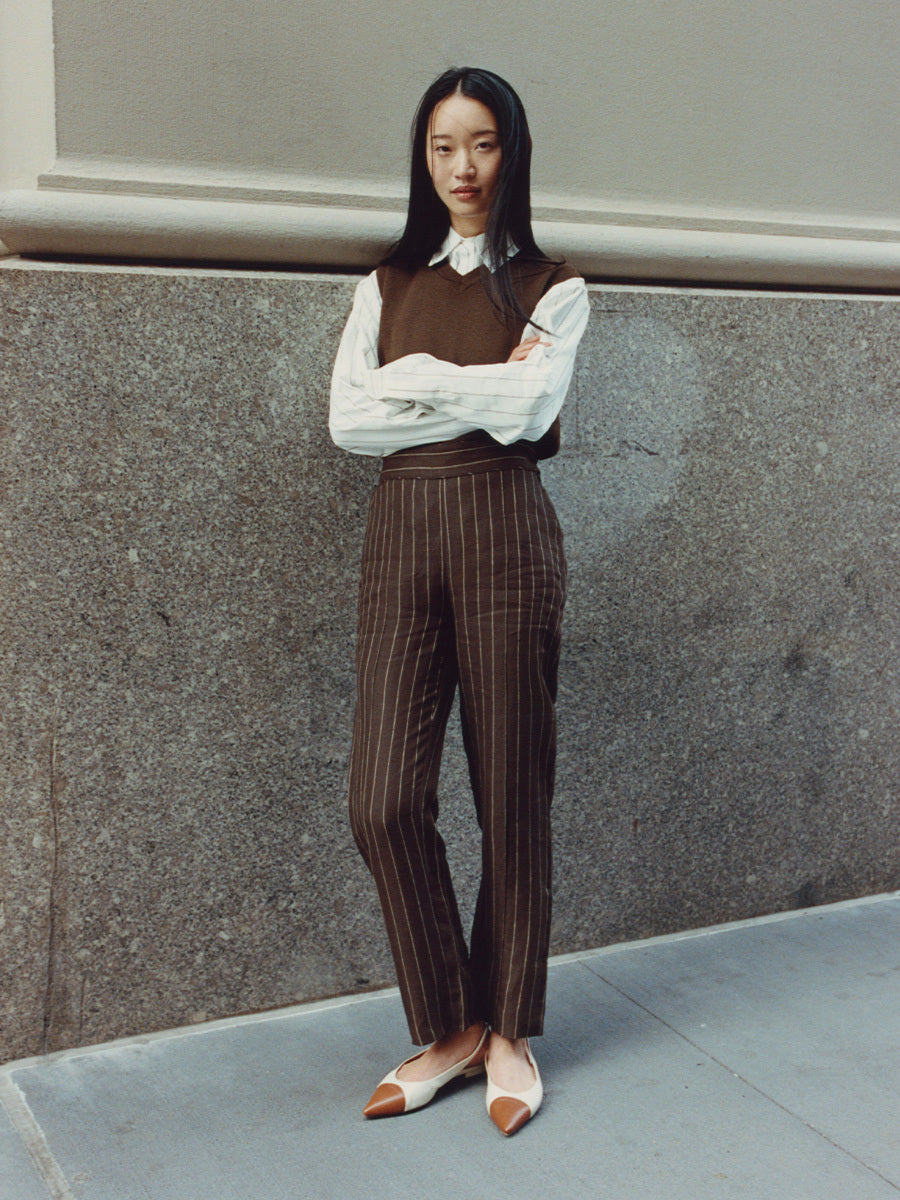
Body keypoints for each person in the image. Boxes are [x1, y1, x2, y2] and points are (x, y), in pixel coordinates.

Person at [329, 66, 589, 1136]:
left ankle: (511, 1029)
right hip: (402, 540)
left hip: (506, 537)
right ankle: (448, 1026)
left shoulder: (552, 286)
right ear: (422, 158)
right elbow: (349, 420)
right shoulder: (385, 286)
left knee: (513, 793)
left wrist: (416, 380)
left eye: (481, 145)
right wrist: (465, 383)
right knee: (382, 799)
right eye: (443, 147)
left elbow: (531, 411)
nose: (463, 168)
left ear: (511, 152)